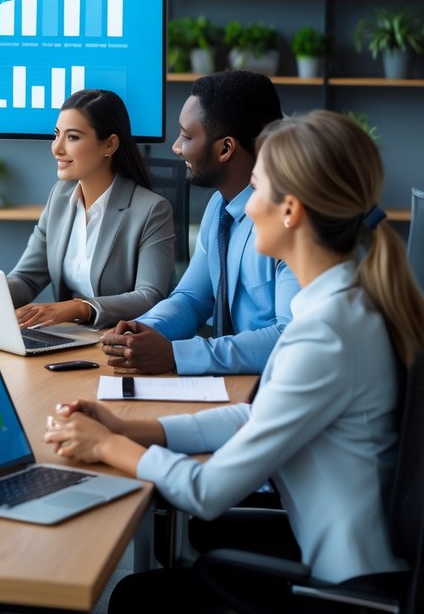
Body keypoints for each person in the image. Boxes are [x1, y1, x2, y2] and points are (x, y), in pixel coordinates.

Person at [45, 110, 424, 612]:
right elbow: (256, 415)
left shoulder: (326, 333)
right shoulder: (343, 302)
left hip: (342, 589)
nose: (245, 207)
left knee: (137, 600)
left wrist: (108, 445)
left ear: (290, 210)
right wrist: (136, 430)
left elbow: (205, 491)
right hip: (337, 552)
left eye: (258, 188)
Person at [101, 70, 299, 375]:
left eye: (187, 136)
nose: (177, 147)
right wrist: (142, 330)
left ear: (225, 149)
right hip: (233, 386)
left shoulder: (288, 220)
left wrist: (179, 355)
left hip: (272, 388)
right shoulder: (219, 207)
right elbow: (192, 298)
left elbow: (290, 337)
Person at [7, 89, 176, 329]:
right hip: (67, 337)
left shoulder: (152, 210)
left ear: (109, 144)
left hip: (116, 341)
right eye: (57, 135)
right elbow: (26, 278)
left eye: (73, 137)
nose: (57, 148)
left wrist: (81, 307)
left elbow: (150, 296)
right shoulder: (60, 196)